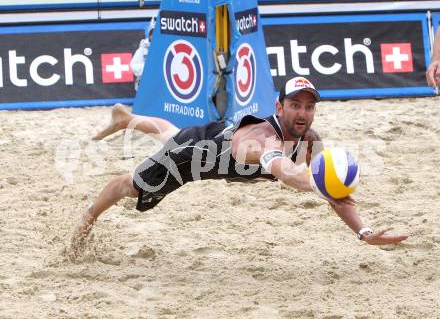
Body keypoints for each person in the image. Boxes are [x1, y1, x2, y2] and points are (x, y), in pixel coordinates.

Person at [71, 77, 408, 256]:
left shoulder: (310, 139)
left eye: (308, 107)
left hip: (213, 138)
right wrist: (319, 185)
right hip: (192, 159)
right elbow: (285, 172)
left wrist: (363, 233)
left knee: (171, 132)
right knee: (132, 186)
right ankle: (87, 219)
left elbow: (334, 196)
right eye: (294, 105)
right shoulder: (264, 139)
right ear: (279, 106)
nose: (302, 113)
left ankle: (127, 118)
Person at [130, 17, 155, 91]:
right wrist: (148, 67)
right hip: (145, 82)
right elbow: (133, 65)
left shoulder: (163, 47)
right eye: (151, 34)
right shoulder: (143, 48)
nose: (153, 36)